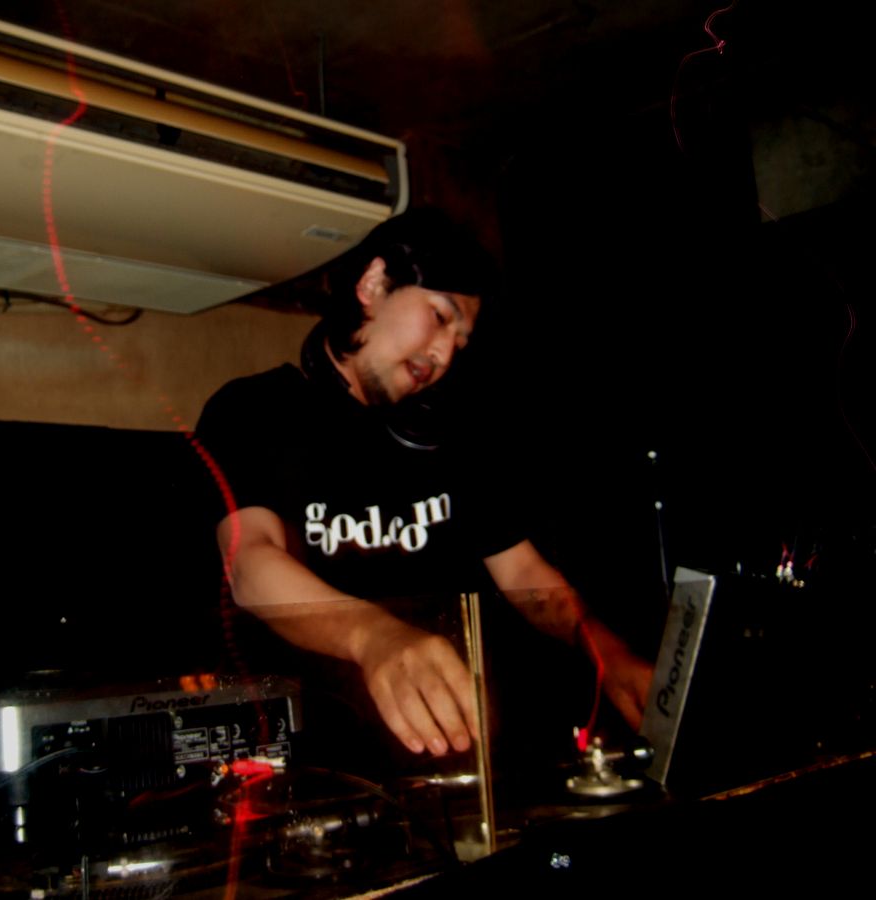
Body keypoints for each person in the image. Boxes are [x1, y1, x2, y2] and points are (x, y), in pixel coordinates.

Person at [195, 208, 653, 759]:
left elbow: (525, 574)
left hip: (463, 759)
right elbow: (250, 565)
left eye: (460, 341)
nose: (444, 354)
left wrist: (605, 651)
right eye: (440, 316)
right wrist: (375, 636)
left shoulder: (450, 438)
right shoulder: (255, 410)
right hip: (324, 767)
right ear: (373, 283)